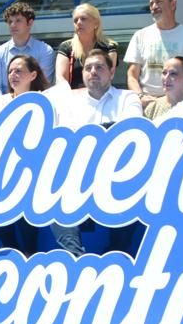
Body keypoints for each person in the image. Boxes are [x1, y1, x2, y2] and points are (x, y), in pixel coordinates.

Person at [51, 49, 142, 257]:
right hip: (79, 173)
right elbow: (64, 139)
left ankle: (116, 253)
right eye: (88, 68)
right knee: (53, 195)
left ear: (111, 72)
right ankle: (76, 258)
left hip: (117, 172)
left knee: (133, 186)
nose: (93, 71)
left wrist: (88, 136)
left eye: (99, 67)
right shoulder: (69, 103)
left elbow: (131, 132)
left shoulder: (127, 98)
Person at [0, 55, 50, 256]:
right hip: (3, 165)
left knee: (26, 190)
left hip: (36, 164)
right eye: (10, 71)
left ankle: (31, 251)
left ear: (33, 75)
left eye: (19, 71)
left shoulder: (45, 101)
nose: (12, 75)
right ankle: (11, 247)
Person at [124, 0, 183, 106]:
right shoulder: (140, 35)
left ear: (173, 4)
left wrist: (171, 102)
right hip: (146, 103)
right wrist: (140, 97)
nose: (154, 7)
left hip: (177, 103)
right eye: (151, 4)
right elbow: (132, 75)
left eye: (158, 2)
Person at [0, 1, 54, 97]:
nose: (13, 25)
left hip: (36, 104)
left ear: (30, 23)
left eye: (18, 20)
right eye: (10, 22)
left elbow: (44, 86)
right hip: (6, 106)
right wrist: (2, 105)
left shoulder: (45, 50)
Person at [55, 3, 117, 87]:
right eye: (75, 20)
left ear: (96, 23)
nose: (79, 23)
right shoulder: (66, 47)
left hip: (100, 96)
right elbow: (60, 78)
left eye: (83, 19)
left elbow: (108, 77)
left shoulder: (108, 47)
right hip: (73, 96)